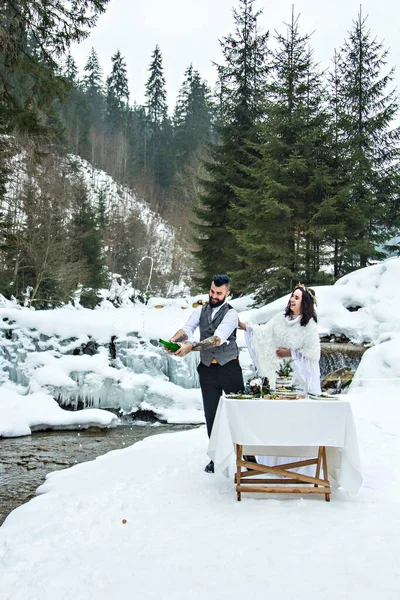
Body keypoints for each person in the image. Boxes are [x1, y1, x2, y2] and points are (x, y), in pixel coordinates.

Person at [167, 274, 244, 473]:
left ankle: (247, 455)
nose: (214, 295)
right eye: (212, 291)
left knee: (239, 413)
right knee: (212, 416)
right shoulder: (200, 310)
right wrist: (174, 340)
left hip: (229, 369)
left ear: (228, 293)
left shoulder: (231, 314)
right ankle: (216, 457)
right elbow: (187, 329)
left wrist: (189, 347)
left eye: (219, 293)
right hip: (208, 370)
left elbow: (217, 339)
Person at [239, 284, 321, 396]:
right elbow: (263, 331)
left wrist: (289, 353)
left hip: (297, 377)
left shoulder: (309, 325)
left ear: (304, 303)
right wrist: (243, 325)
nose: (292, 299)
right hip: (278, 374)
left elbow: (313, 353)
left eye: (297, 298)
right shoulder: (280, 318)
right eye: (292, 296)